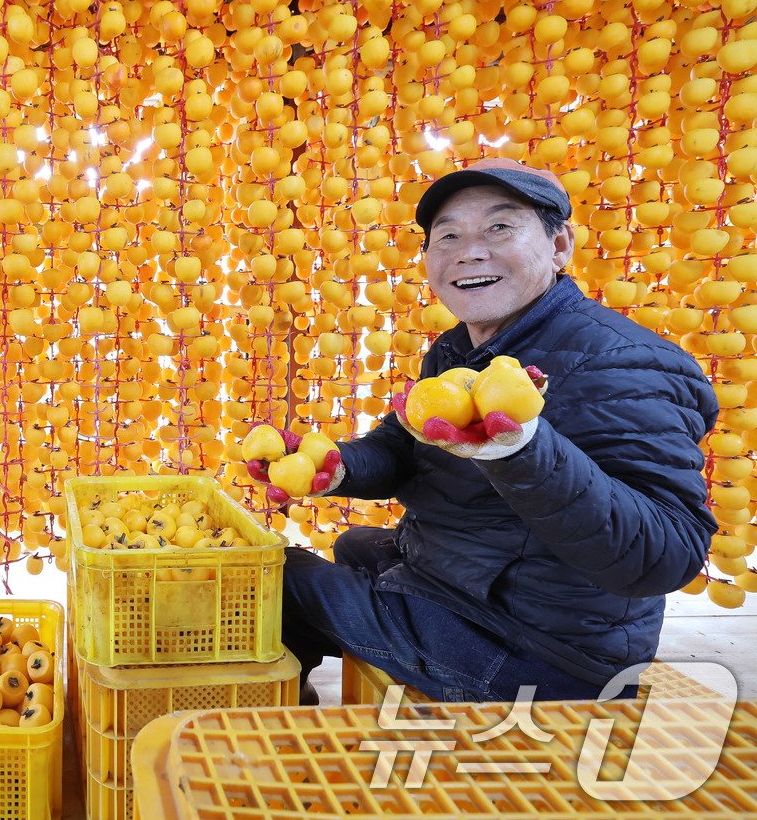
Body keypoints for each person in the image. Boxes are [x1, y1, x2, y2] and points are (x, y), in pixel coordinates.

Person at [259, 159, 719, 704]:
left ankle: (277, 730)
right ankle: (304, 691)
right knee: (355, 544)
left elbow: (666, 554)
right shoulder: (463, 349)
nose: (469, 250)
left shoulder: (626, 364)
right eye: (447, 234)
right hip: (468, 592)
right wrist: (336, 469)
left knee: (271, 578)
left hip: (541, 651)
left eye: (500, 227)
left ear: (560, 244)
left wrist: (523, 452)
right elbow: (404, 447)